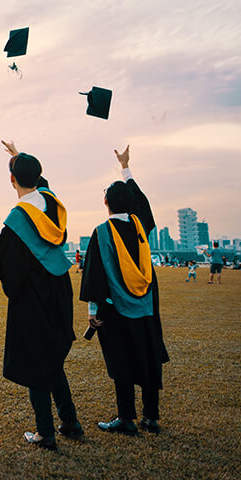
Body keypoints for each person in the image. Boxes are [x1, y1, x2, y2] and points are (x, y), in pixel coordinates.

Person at [0, 140, 81, 451]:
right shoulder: (52, 204)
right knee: (52, 358)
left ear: (11, 179)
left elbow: (1, 258)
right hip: (60, 286)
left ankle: (45, 433)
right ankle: (70, 421)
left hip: (32, 295)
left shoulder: (18, 219)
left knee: (35, 361)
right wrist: (19, 157)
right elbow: (41, 183)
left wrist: (14, 289)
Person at [80, 145, 170, 436]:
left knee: (122, 360)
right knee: (148, 356)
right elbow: (142, 204)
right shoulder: (141, 226)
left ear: (105, 201)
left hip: (115, 308)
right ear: (131, 204)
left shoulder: (102, 232)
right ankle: (151, 417)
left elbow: (94, 275)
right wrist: (126, 168)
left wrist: (93, 310)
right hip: (146, 307)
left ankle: (126, 418)